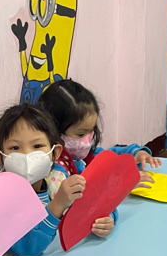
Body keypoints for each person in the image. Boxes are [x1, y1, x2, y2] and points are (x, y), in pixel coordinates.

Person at [38, 78, 160, 212]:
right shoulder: (56, 174)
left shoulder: (84, 156)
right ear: (54, 131)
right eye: (80, 134)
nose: (87, 140)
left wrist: (136, 153)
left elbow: (110, 156)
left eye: (91, 131)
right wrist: (121, 187)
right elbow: (80, 209)